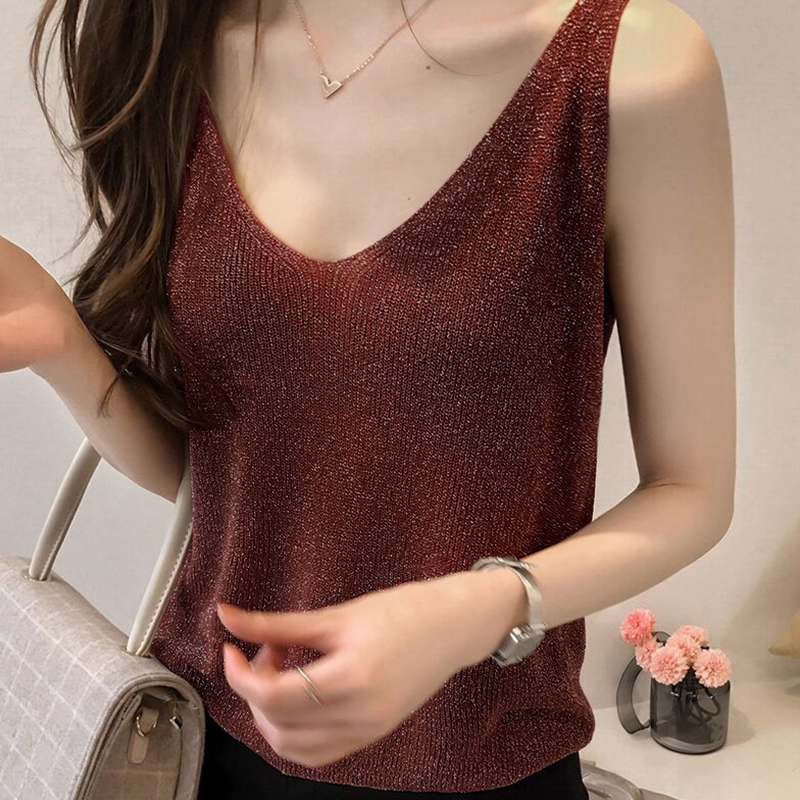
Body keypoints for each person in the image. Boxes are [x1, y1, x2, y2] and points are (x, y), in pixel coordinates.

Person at [1, 0, 736, 797]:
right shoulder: (177, 49)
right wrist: (65, 348)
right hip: (205, 747)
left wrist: (479, 608)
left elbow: (690, 490)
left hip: (480, 765)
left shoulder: (627, 68)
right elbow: (221, 478)